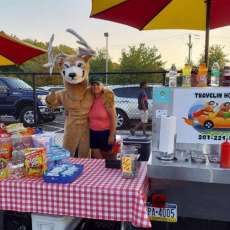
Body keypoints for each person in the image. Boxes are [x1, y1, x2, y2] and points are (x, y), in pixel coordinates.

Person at [89, 76, 117, 160]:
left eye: (98, 84)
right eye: (93, 84)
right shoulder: (90, 99)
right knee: (98, 158)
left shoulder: (106, 98)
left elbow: (113, 118)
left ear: (102, 85)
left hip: (106, 133)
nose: (95, 86)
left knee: (109, 158)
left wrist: (111, 135)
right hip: (93, 133)